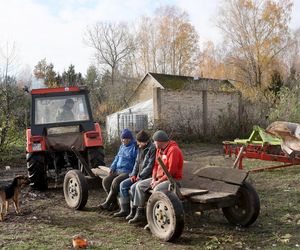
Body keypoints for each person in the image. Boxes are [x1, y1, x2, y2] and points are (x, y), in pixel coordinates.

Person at [129, 130, 184, 224]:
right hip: (159, 179)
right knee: (139, 186)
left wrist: (158, 182)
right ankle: (140, 213)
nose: (153, 143)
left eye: (154, 141)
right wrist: (154, 178)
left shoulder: (173, 150)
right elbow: (155, 166)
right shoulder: (159, 150)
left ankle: (155, 220)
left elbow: (171, 172)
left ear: (159, 141)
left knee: (156, 190)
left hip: (172, 180)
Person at [113, 130, 156, 218]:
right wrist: (133, 174)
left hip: (147, 177)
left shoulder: (152, 149)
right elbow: (136, 163)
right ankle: (125, 210)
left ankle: (136, 212)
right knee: (123, 185)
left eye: (139, 142)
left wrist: (140, 176)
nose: (137, 144)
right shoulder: (140, 148)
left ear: (146, 142)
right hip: (138, 175)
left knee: (133, 187)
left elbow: (149, 166)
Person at [99, 128, 138, 211]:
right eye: (122, 139)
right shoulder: (122, 146)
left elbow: (137, 162)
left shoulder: (134, 147)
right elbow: (117, 158)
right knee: (106, 180)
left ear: (129, 139)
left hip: (128, 172)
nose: (123, 140)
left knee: (116, 182)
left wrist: (134, 173)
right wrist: (112, 167)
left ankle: (107, 202)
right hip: (117, 170)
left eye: (124, 139)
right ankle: (114, 203)